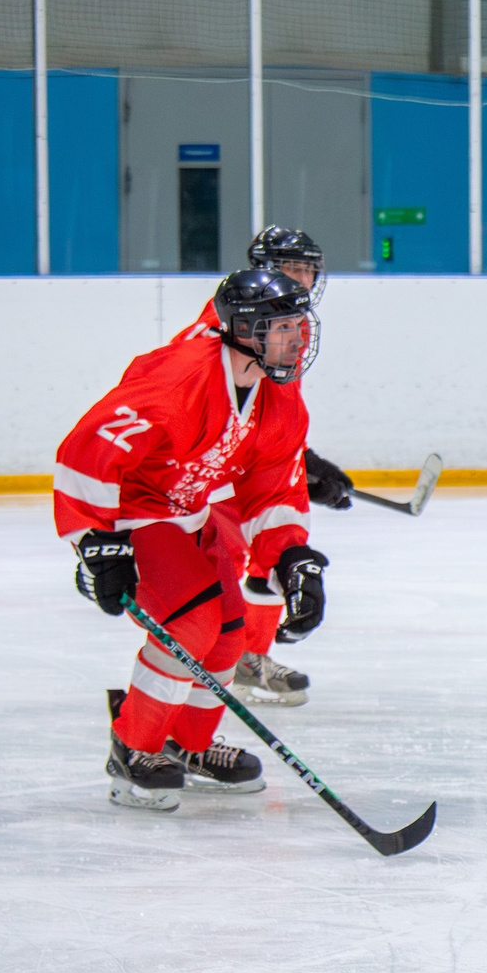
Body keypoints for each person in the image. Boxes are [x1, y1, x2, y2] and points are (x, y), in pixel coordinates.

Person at [56, 269, 329, 811]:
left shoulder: (278, 397)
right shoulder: (179, 380)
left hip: (190, 513)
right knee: (191, 623)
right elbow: (86, 451)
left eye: (300, 325)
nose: (298, 338)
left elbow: (272, 487)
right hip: (135, 514)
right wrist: (98, 543)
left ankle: (189, 745)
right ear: (245, 330)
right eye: (283, 327)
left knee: (228, 634)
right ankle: (134, 748)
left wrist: (291, 557)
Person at [175, 225, 345, 706]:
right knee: (219, 569)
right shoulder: (233, 324)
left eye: (308, 270)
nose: (302, 279)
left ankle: (248, 658)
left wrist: (299, 458)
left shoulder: (295, 323)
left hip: (254, 457)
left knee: (276, 550)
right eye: (291, 268)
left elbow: (274, 404)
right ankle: (179, 693)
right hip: (212, 466)